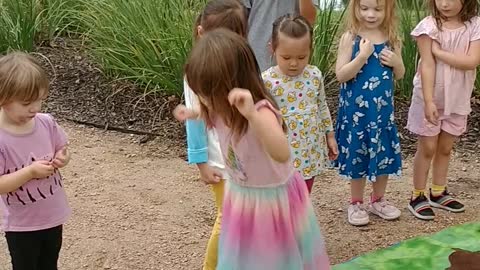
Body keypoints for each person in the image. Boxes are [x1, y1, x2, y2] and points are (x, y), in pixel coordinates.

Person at [174, 29, 330, 269]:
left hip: (272, 201)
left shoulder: (260, 112)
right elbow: (210, 113)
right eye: (201, 95)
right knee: (246, 258)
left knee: (275, 260)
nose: (205, 101)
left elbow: (282, 153)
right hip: (243, 196)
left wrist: (252, 116)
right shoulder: (218, 107)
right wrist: (193, 112)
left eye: (209, 94)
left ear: (234, 85)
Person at [183, 1, 247, 269]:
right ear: (201, 32)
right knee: (226, 218)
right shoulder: (195, 72)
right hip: (219, 161)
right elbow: (194, 119)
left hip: (242, 159)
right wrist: (201, 163)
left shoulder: (240, 64)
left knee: (243, 218)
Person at [407, 0, 480, 220]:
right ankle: (417, 195)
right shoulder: (428, 26)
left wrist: (440, 53)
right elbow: (427, 64)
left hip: (457, 97)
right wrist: (428, 101)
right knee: (428, 146)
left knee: (446, 147)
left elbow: (472, 61)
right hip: (430, 96)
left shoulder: (475, 25)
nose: (445, 4)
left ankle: (438, 191)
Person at [334, 0, 405, 226]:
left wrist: (397, 62)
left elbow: (400, 75)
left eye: (377, 9)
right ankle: (355, 203)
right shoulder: (351, 38)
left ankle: (378, 200)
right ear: (355, 8)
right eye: (364, 8)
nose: (371, 14)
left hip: (382, 115)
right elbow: (341, 75)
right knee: (359, 155)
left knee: (382, 154)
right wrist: (362, 57)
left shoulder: (392, 38)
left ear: (388, 9)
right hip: (358, 116)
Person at [0, 52, 71, 270]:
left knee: (49, 263)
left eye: (40, 100)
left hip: (52, 214)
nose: (35, 108)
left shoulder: (46, 123)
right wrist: (29, 172)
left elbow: (63, 147)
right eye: (26, 103)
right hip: (21, 224)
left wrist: (63, 157)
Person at [262, 14, 338, 194]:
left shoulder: (314, 75)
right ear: (272, 48)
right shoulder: (267, 80)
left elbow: (322, 106)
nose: (295, 63)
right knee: (281, 191)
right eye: (286, 57)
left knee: (305, 190)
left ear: (310, 50)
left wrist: (330, 135)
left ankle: (300, 218)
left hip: (309, 146)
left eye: (302, 57)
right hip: (282, 148)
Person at [241, 0, 319, 71]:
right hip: (252, 60)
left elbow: (309, 21)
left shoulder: (314, 77)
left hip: (295, 68)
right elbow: (238, 16)